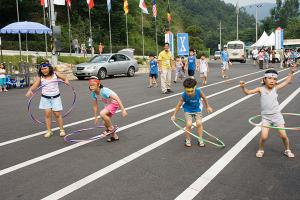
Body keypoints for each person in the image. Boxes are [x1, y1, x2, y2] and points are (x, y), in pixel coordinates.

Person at [239, 67, 297, 158]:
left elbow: (286, 81)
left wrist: (291, 72)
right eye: (269, 78)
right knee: (264, 137)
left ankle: (287, 150)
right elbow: (248, 92)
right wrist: (243, 87)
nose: (272, 81)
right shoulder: (260, 89)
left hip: (277, 116)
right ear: (264, 79)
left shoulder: (276, 88)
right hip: (266, 117)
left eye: (274, 79)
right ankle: (261, 149)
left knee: (284, 136)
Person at [26, 62, 69, 138]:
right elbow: (35, 84)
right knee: (47, 114)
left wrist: (66, 81)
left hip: (55, 97)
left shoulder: (55, 74)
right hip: (45, 98)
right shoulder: (41, 77)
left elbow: (65, 78)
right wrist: (30, 90)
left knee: (57, 114)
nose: (44, 70)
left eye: (45, 68)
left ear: (49, 68)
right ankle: (49, 131)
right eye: (42, 69)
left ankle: (62, 130)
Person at [171, 78, 213, 147]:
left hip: (197, 109)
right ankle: (188, 139)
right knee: (189, 124)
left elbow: (204, 98)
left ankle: (200, 139)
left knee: (199, 123)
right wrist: (174, 115)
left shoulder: (198, 91)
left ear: (195, 87)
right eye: (188, 91)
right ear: (185, 89)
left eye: (191, 91)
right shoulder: (184, 95)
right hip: (188, 110)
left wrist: (208, 106)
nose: (190, 93)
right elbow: (179, 105)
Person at [89, 76, 127, 142]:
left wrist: (123, 110)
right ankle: (115, 137)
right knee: (105, 122)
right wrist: (95, 117)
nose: (91, 87)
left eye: (93, 85)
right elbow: (95, 105)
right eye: (90, 85)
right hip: (108, 105)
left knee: (102, 113)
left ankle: (111, 128)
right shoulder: (93, 93)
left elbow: (117, 98)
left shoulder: (104, 91)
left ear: (98, 85)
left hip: (114, 103)